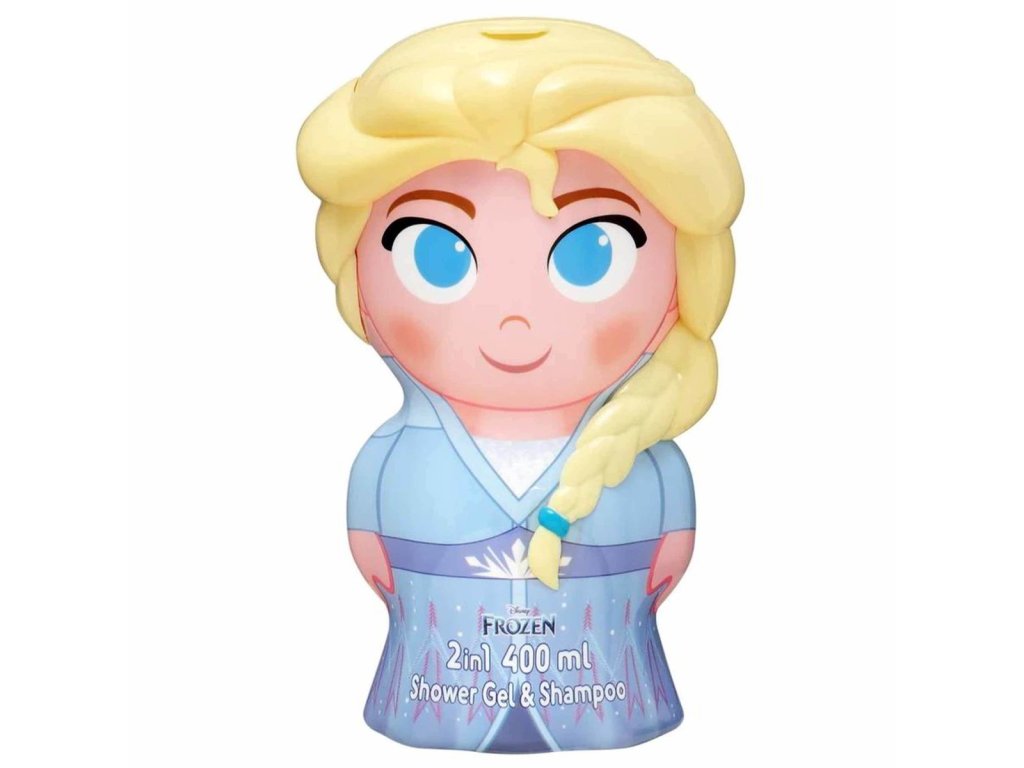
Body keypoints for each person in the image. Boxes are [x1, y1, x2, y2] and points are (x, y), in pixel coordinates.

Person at [297, 17, 743, 752]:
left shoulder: (650, 459)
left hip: (609, 702)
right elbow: (379, 566)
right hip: (435, 698)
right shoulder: (394, 457)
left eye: (591, 253)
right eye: (435, 254)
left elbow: (664, 568)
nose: (514, 319)